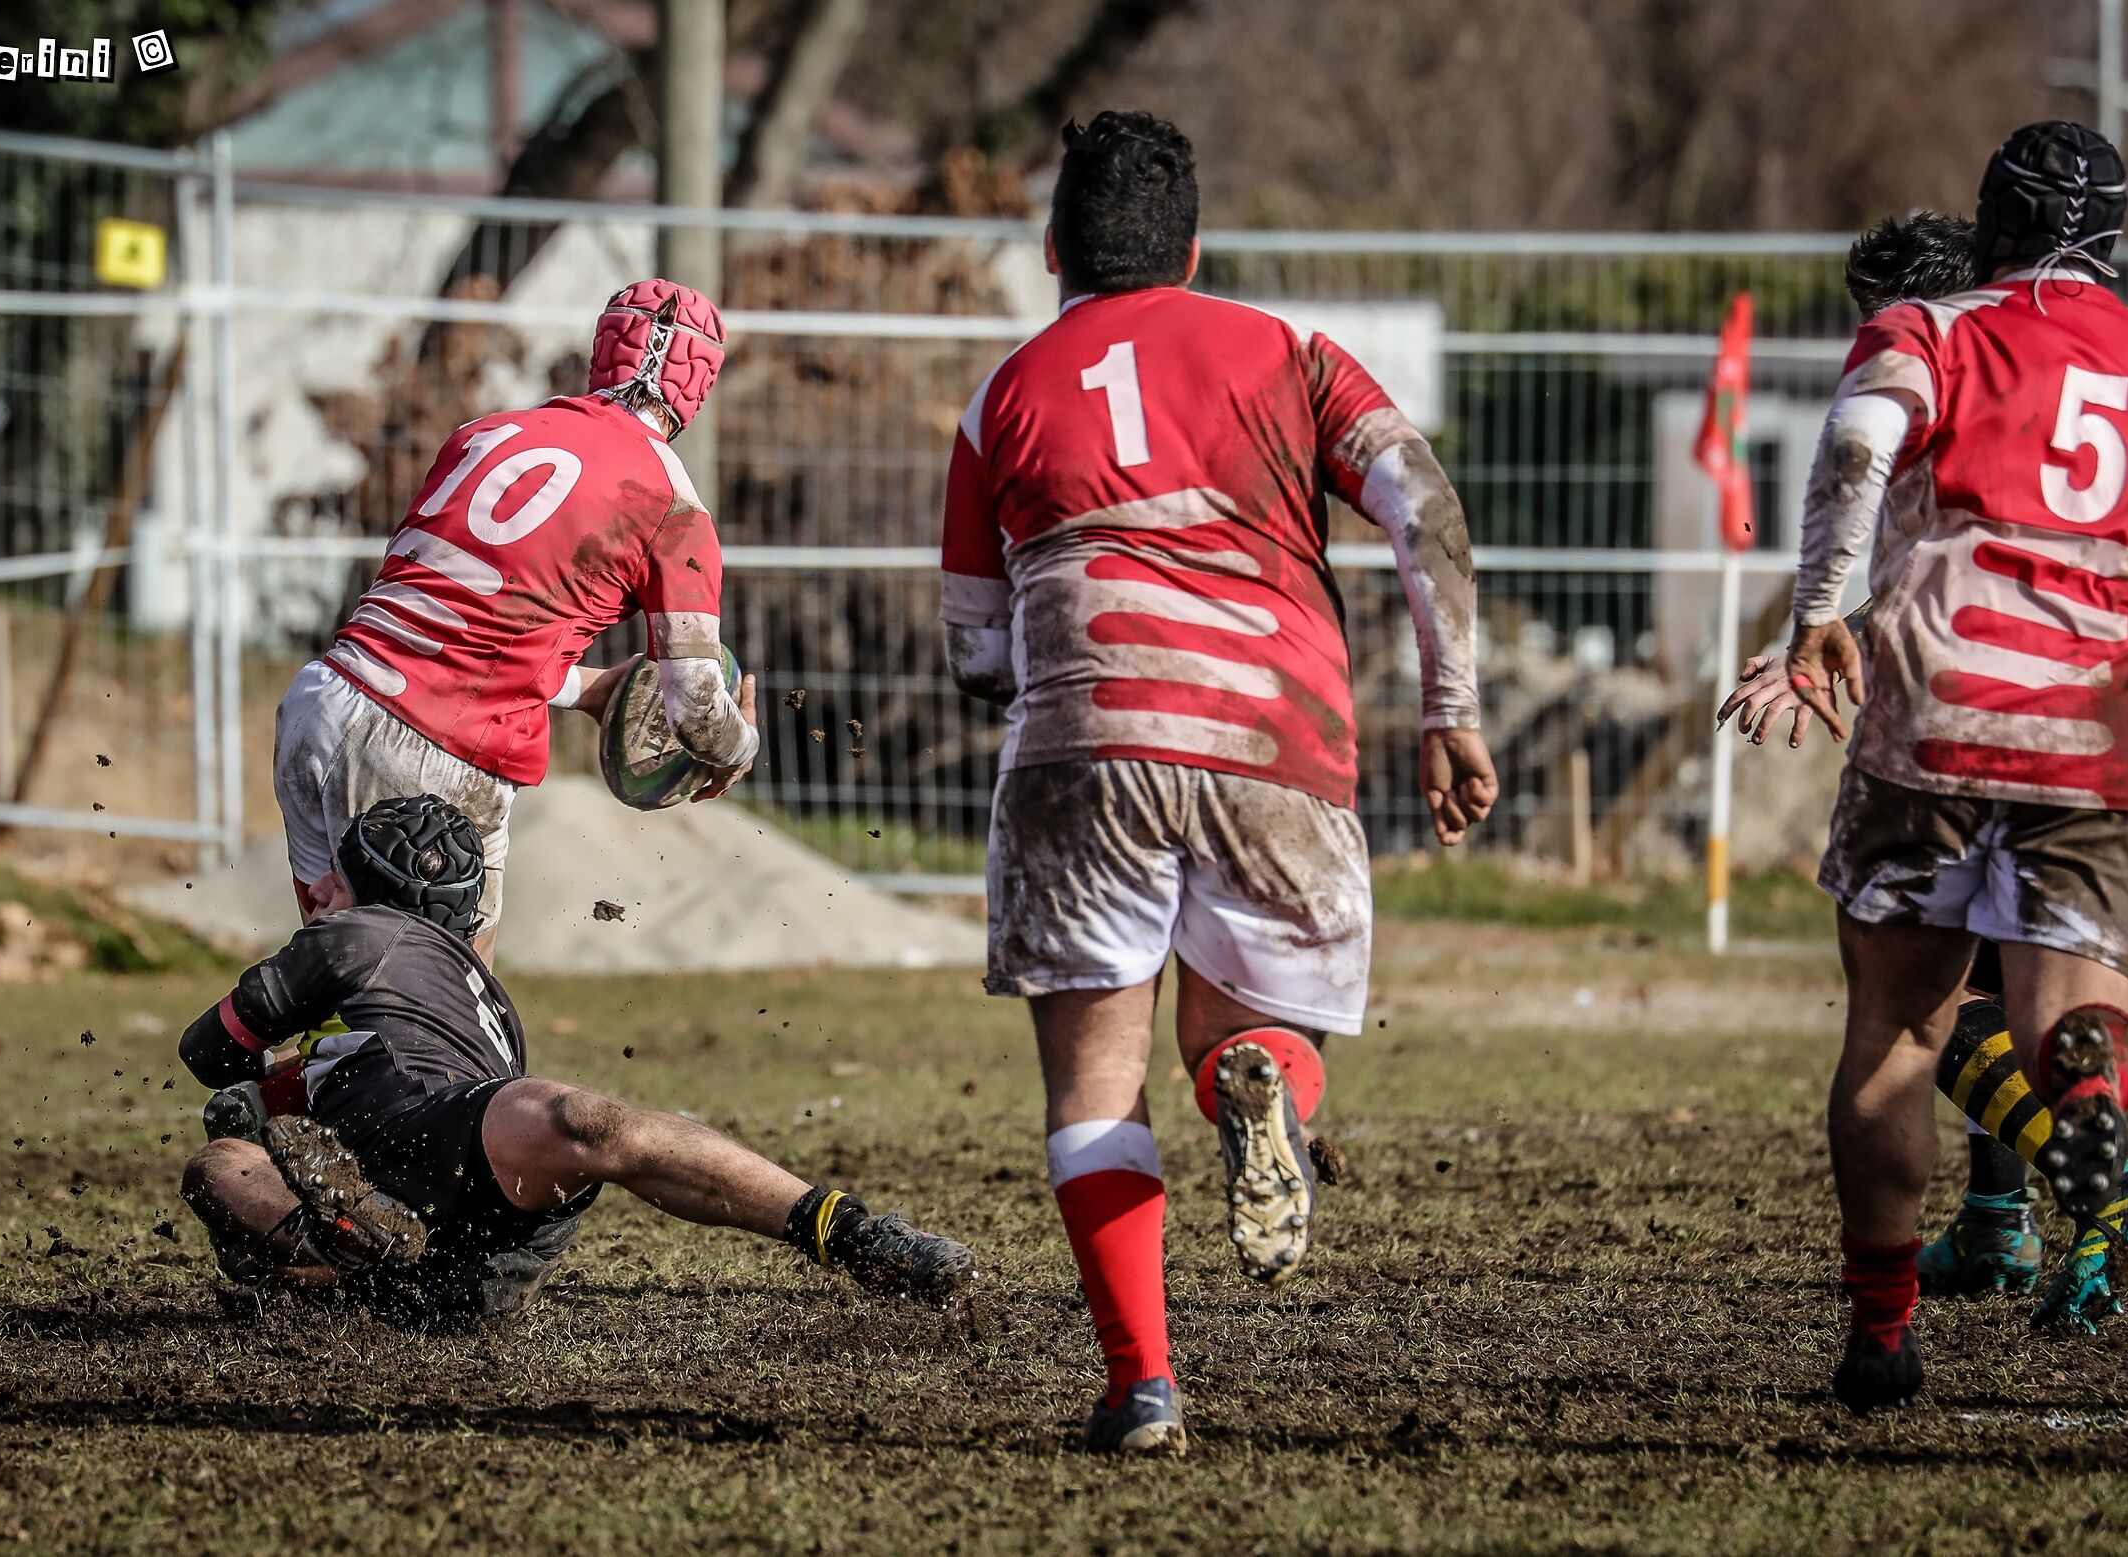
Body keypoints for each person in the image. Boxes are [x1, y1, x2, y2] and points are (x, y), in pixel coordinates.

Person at [938, 111, 1496, 1453]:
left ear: (1055, 247)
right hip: (1271, 742)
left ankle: (1143, 1384)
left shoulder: (1000, 394)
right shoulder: (1288, 351)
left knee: (1093, 1092)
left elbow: (973, 644)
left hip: (1079, 752)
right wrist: (1450, 707)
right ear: (1193, 245)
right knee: (1247, 1032)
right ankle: (1258, 1076)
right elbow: (1424, 507)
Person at [1778, 122, 2128, 1409]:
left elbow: (1858, 444)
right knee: (2061, 1014)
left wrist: (1817, 612)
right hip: (2107, 727)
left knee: (1897, 1033)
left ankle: (1883, 1341)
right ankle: (2081, 1087)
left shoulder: (1934, 328)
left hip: (1941, 713)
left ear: (1993, 219)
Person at [178, 794, 977, 1326]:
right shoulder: (478, 988)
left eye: (336, 877)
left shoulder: (353, 933)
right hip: (477, 1247)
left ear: (368, 891)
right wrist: (276, 1092)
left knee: (221, 1161)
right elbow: (355, 1067)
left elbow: (206, 1049)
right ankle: (848, 1230)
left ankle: (340, 1254)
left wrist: (262, 1077)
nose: (318, 887)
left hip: (426, 1145)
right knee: (228, 1154)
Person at [274, 279, 760, 965]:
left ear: (604, 352)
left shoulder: (487, 434)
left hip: (320, 702)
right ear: (698, 388)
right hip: (432, 752)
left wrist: (588, 688)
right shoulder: (673, 508)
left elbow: (453, 625)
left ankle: (256, 1069)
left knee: (333, 989)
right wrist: (740, 748)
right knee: (444, 1021)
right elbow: (696, 708)